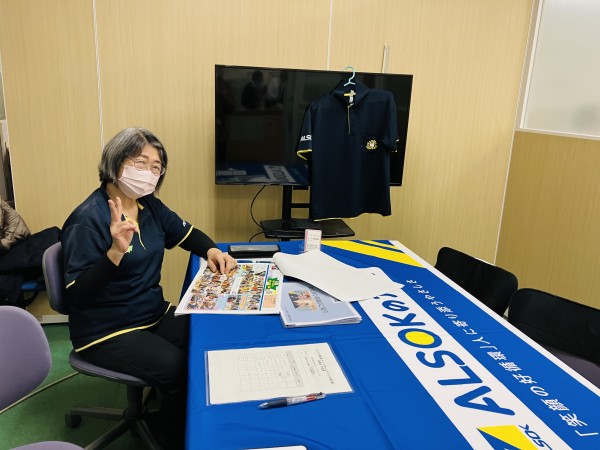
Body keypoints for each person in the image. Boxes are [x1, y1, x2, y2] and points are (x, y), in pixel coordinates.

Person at [61, 127, 236, 448]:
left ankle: (171, 404)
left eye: (156, 167)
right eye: (141, 163)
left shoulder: (148, 205)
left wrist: (212, 250)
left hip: (151, 314)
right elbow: (77, 296)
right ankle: (167, 435)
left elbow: (186, 233)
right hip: (107, 331)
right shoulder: (86, 220)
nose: (149, 173)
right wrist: (115, 252)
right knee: (183, 370)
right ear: (116, 162)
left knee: (210, 335)